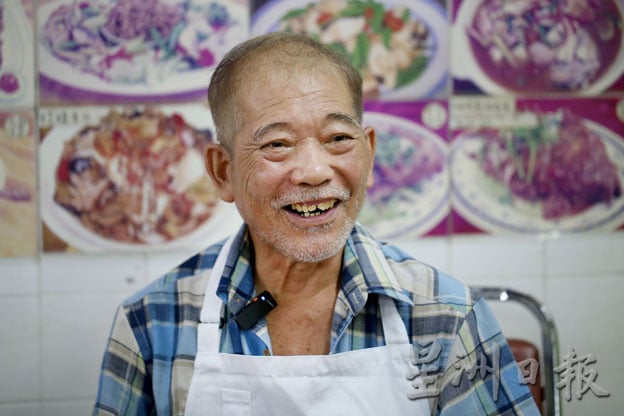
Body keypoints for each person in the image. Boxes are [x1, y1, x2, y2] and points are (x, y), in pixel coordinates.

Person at [94, 32, 540, 415]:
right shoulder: (152, 322)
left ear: (367, 155)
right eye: (278, 144)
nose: (314, 171)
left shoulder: (446, 315)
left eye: (338, 139)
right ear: (222, 171)